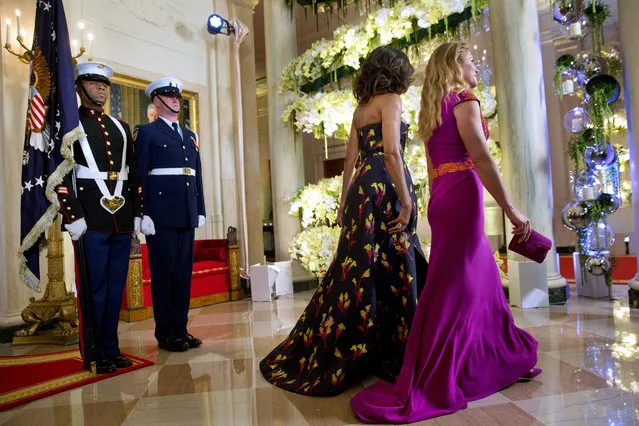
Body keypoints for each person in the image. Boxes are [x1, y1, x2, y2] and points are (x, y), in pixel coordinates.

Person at [351, 42, 540, 423]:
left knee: (473, 278)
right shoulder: (463, 99)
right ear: (455, 64)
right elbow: (482, 157)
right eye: (472, 61)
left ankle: (492, 356)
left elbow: (433, 161)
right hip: (462, 198)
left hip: (442, 200)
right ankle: (451, 367)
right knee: (457, 285)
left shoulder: (431, 107)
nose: (476, 68)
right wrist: (511, 209)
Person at [259, 45, 428, 396]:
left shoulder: (362, 107)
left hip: (362, 190)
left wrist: (342, 203)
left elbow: (350, 160)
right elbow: (393, 152)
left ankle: (352, 342)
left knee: (358, 266)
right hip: (386, 184)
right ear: (397, 70)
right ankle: (399, 349)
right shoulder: (392, 100)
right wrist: (408, 200)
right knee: (394, 259)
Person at [57, 61, 142, 374]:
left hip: (119, 218)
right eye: (93, 84)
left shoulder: (120, 127)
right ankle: (93, 354)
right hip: (90, 219)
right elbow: (61, 173)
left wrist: (137, 213)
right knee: (94, 290)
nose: (101, 89)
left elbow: (131, 174)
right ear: (79, 88)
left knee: (114, 288)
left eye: (105, 84)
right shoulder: (71, 126)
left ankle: (111, 348)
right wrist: (72, 214)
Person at [135, 77, 206, 352]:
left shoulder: (190, 136)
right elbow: (140, 174)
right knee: (164, 275)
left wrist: (200, 209)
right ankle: (165, 333)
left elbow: (196, 175)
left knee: (182, 275)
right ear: (157, 100)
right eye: (169, 95)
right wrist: (142, 213)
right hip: (161, 215)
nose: (176, 100)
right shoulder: (147, 133)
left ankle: (181, 328)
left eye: (177, 96)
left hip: (186, 213)